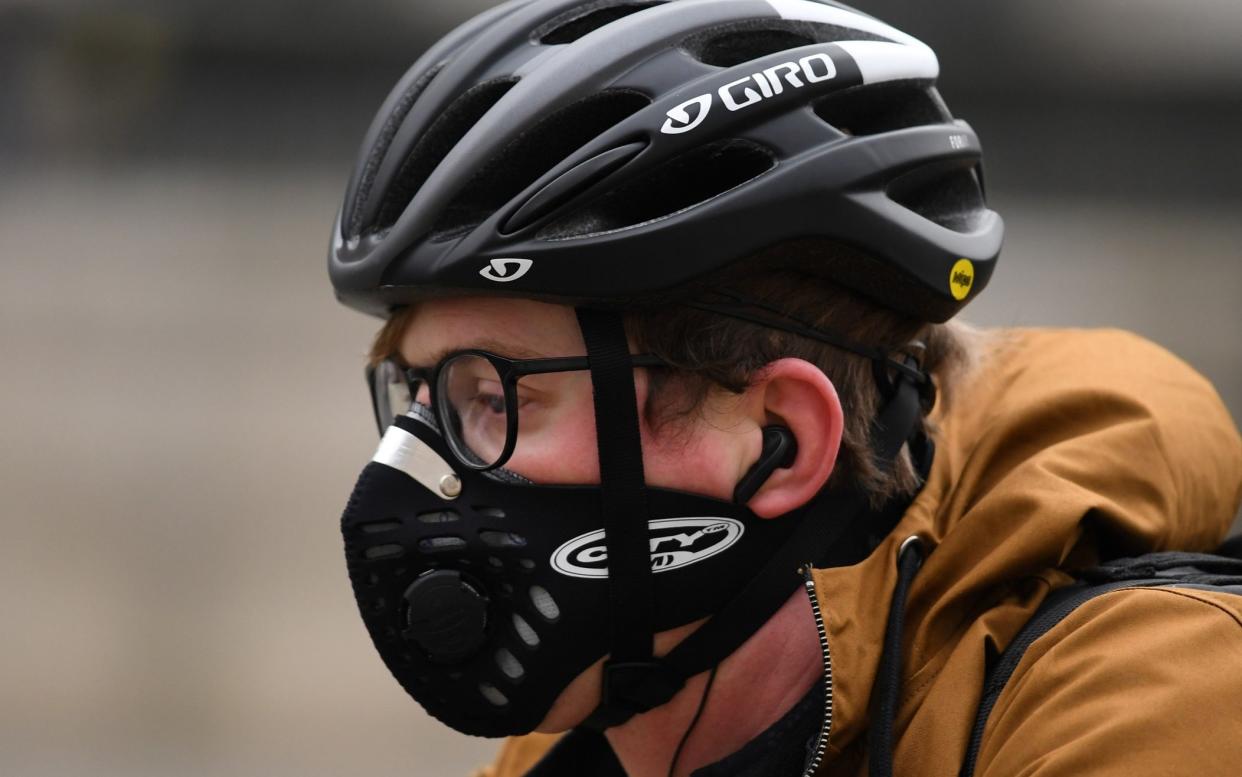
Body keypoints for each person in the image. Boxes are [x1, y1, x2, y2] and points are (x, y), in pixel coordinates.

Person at [327, 1, 1242, 775]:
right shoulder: (573, 744)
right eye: (415, 389)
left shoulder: (1152, 704)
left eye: (492, 397)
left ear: (779, 440)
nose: (405, 464)